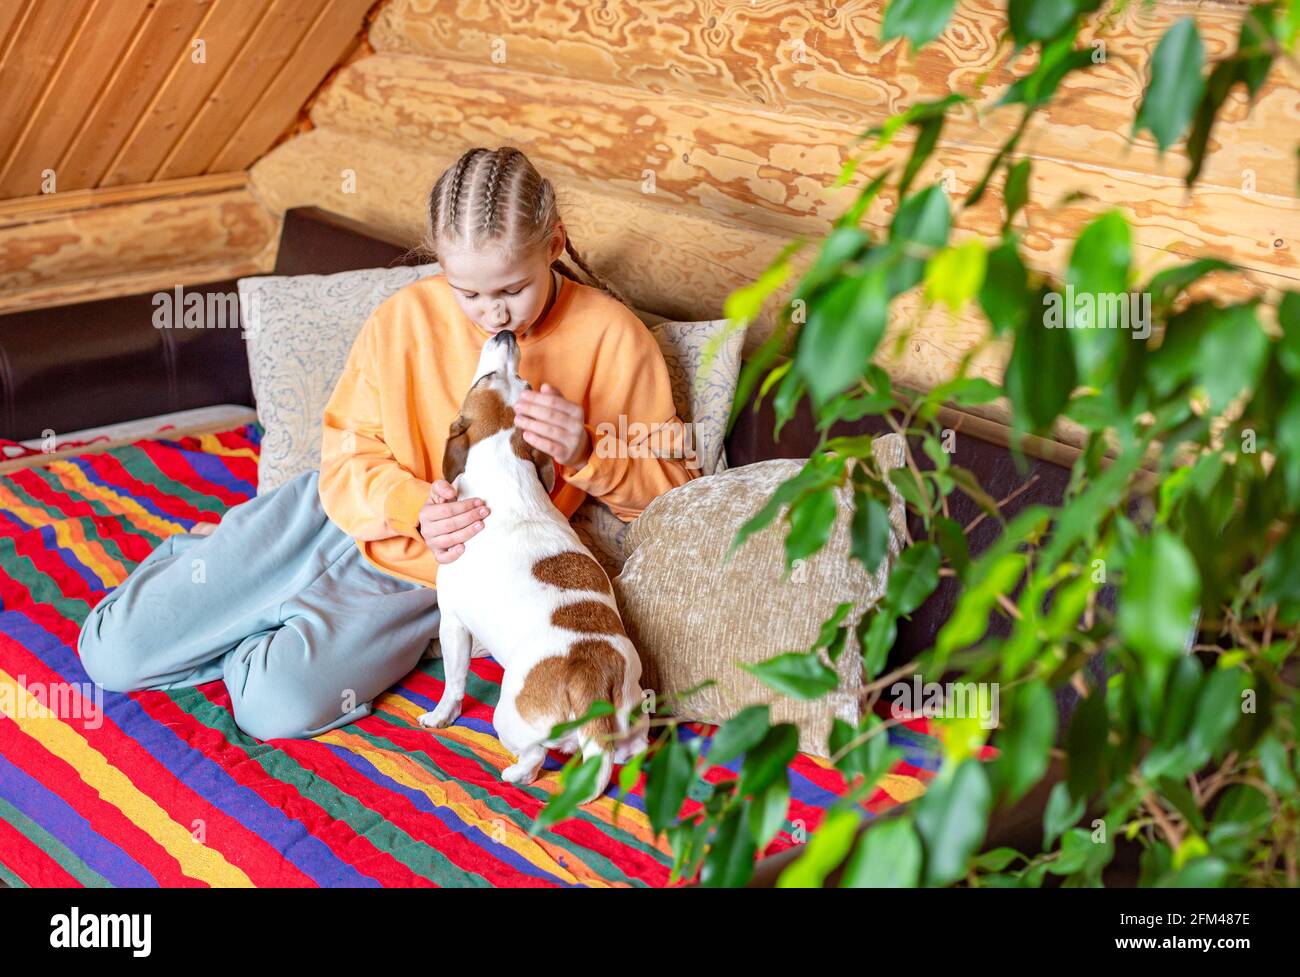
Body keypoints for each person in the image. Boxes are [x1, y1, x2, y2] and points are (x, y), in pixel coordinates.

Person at [77, 146, 698, 741]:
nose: (492, 316)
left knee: (272, 707)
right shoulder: (403, 316)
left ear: (554, 245)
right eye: (467, 292)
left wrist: (586, 451)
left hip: (436, 575)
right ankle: (214, 570)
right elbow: (346, 453)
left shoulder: (613, 337)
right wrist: (411, 509)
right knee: (111, 656)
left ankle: (248, 628)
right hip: (326, 521)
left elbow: (673, 498)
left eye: (511, 290)